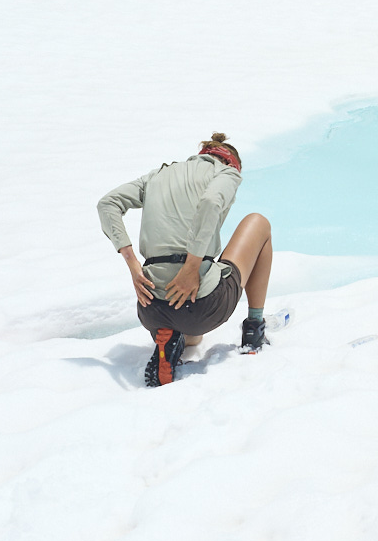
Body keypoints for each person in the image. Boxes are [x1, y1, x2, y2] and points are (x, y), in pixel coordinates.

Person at [97, 133, 276, 386]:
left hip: (152, 309)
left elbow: (108, 203)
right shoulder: (226, 173)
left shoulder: (156, 176)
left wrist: (133, 264)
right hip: (203, 306)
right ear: (231, 163)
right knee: (259, 223)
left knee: (194, 336)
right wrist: (192, 267)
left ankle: (171, 340)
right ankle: (254, 329)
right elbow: (212, 201)